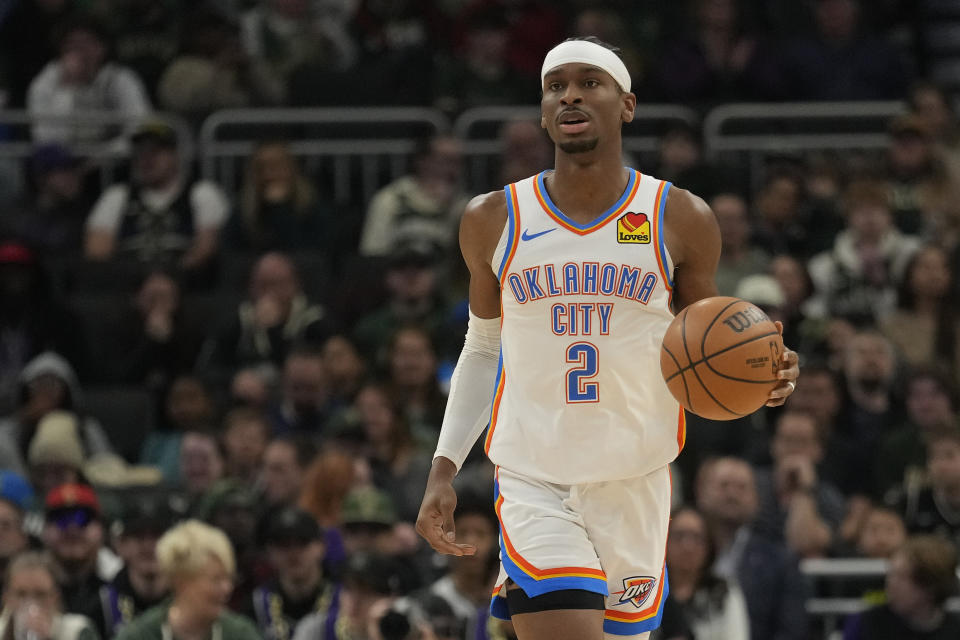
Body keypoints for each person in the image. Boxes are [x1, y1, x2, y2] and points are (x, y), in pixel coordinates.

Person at [415, 37, 799, 640]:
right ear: (544, 112)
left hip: (636, 479)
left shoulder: (679, 217)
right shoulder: (493, 217)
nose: (569, 94)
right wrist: (444, 467)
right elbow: (483, 347)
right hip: (534, 478)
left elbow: (715, 344)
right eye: (555, 85)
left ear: (627, 105)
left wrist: (764, 372)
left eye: (589, 82)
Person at [83, 121, 229, 285]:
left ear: (175, 155)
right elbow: (97, 251)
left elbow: (206, 249)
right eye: (141, 152)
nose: (146, 159)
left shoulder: (202, 193)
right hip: (129, 286)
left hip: (184, 283)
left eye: (155, 152)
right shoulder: (116, 196)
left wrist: (169, 278)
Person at [695, 458, 808, 640]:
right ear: (701, 491)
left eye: (741, 487)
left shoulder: (781, 562)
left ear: (756, 498)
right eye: (723, 485)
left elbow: (791, 631)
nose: (732, 494)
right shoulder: (676, 551)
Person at [116, 519, 261, 640]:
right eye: (216, 579)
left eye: (228, 578)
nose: (227, 588)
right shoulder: (139, 635)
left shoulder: (241, 634)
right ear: (181, 581)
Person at [26, 17, 150, 147]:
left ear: (102, 47)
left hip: (112, 159)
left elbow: (140, 129)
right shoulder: (45, 82)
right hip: (63, 160)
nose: (80, 51)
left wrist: (103, 156)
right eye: (72, 44)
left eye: (87, 43)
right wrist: (67, 87)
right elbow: (46, 139)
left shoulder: (120, 78)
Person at [843, 535, 960, 640]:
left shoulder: (955, 632)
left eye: (902, 577)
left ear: (930, 587)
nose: (890, 584)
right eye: (891, 574)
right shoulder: (865, 623)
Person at [245, 506, 337, 640]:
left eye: (302, 542)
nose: (293, 553)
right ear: (270, 551)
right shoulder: (256, 605)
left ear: (321, 546)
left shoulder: (345, 599)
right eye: (284, 545)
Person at [663, 507, 749, 640]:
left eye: (696, 537)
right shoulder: (649, 589)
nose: (688, 546)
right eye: (679, 536)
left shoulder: (725, 592)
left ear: (709, 546)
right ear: (664, 541)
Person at [99, 497, 175, 636]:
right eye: (138, 536)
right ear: (120, 545)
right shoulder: (102, 606)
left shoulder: (188, 600)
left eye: (157, 535)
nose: (148, 547)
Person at [0, 552, 99, 640]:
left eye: (40, 595)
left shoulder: (78, 630)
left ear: (55, 596)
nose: (31, 602)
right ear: (6, 597)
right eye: (21, 594)